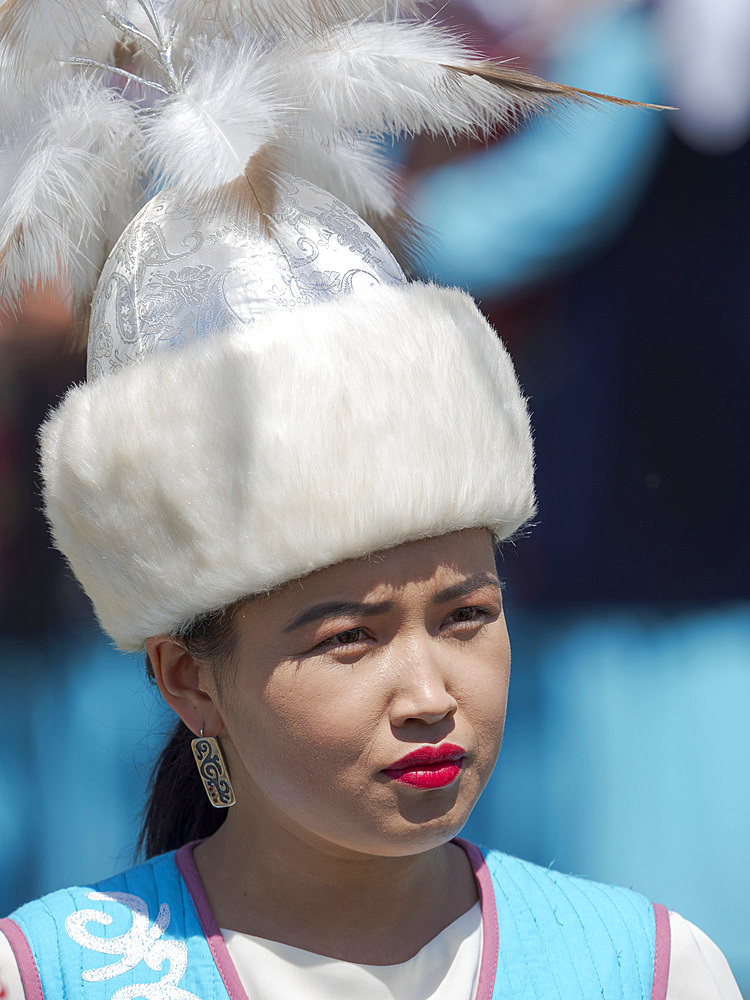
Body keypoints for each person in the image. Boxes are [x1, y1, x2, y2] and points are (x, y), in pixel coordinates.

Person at [0, 1, 741, 997]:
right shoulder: (47, 974)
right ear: (189, 682)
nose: (431, 694)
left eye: (467, 616)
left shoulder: (648, 966)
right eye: (350, 636)